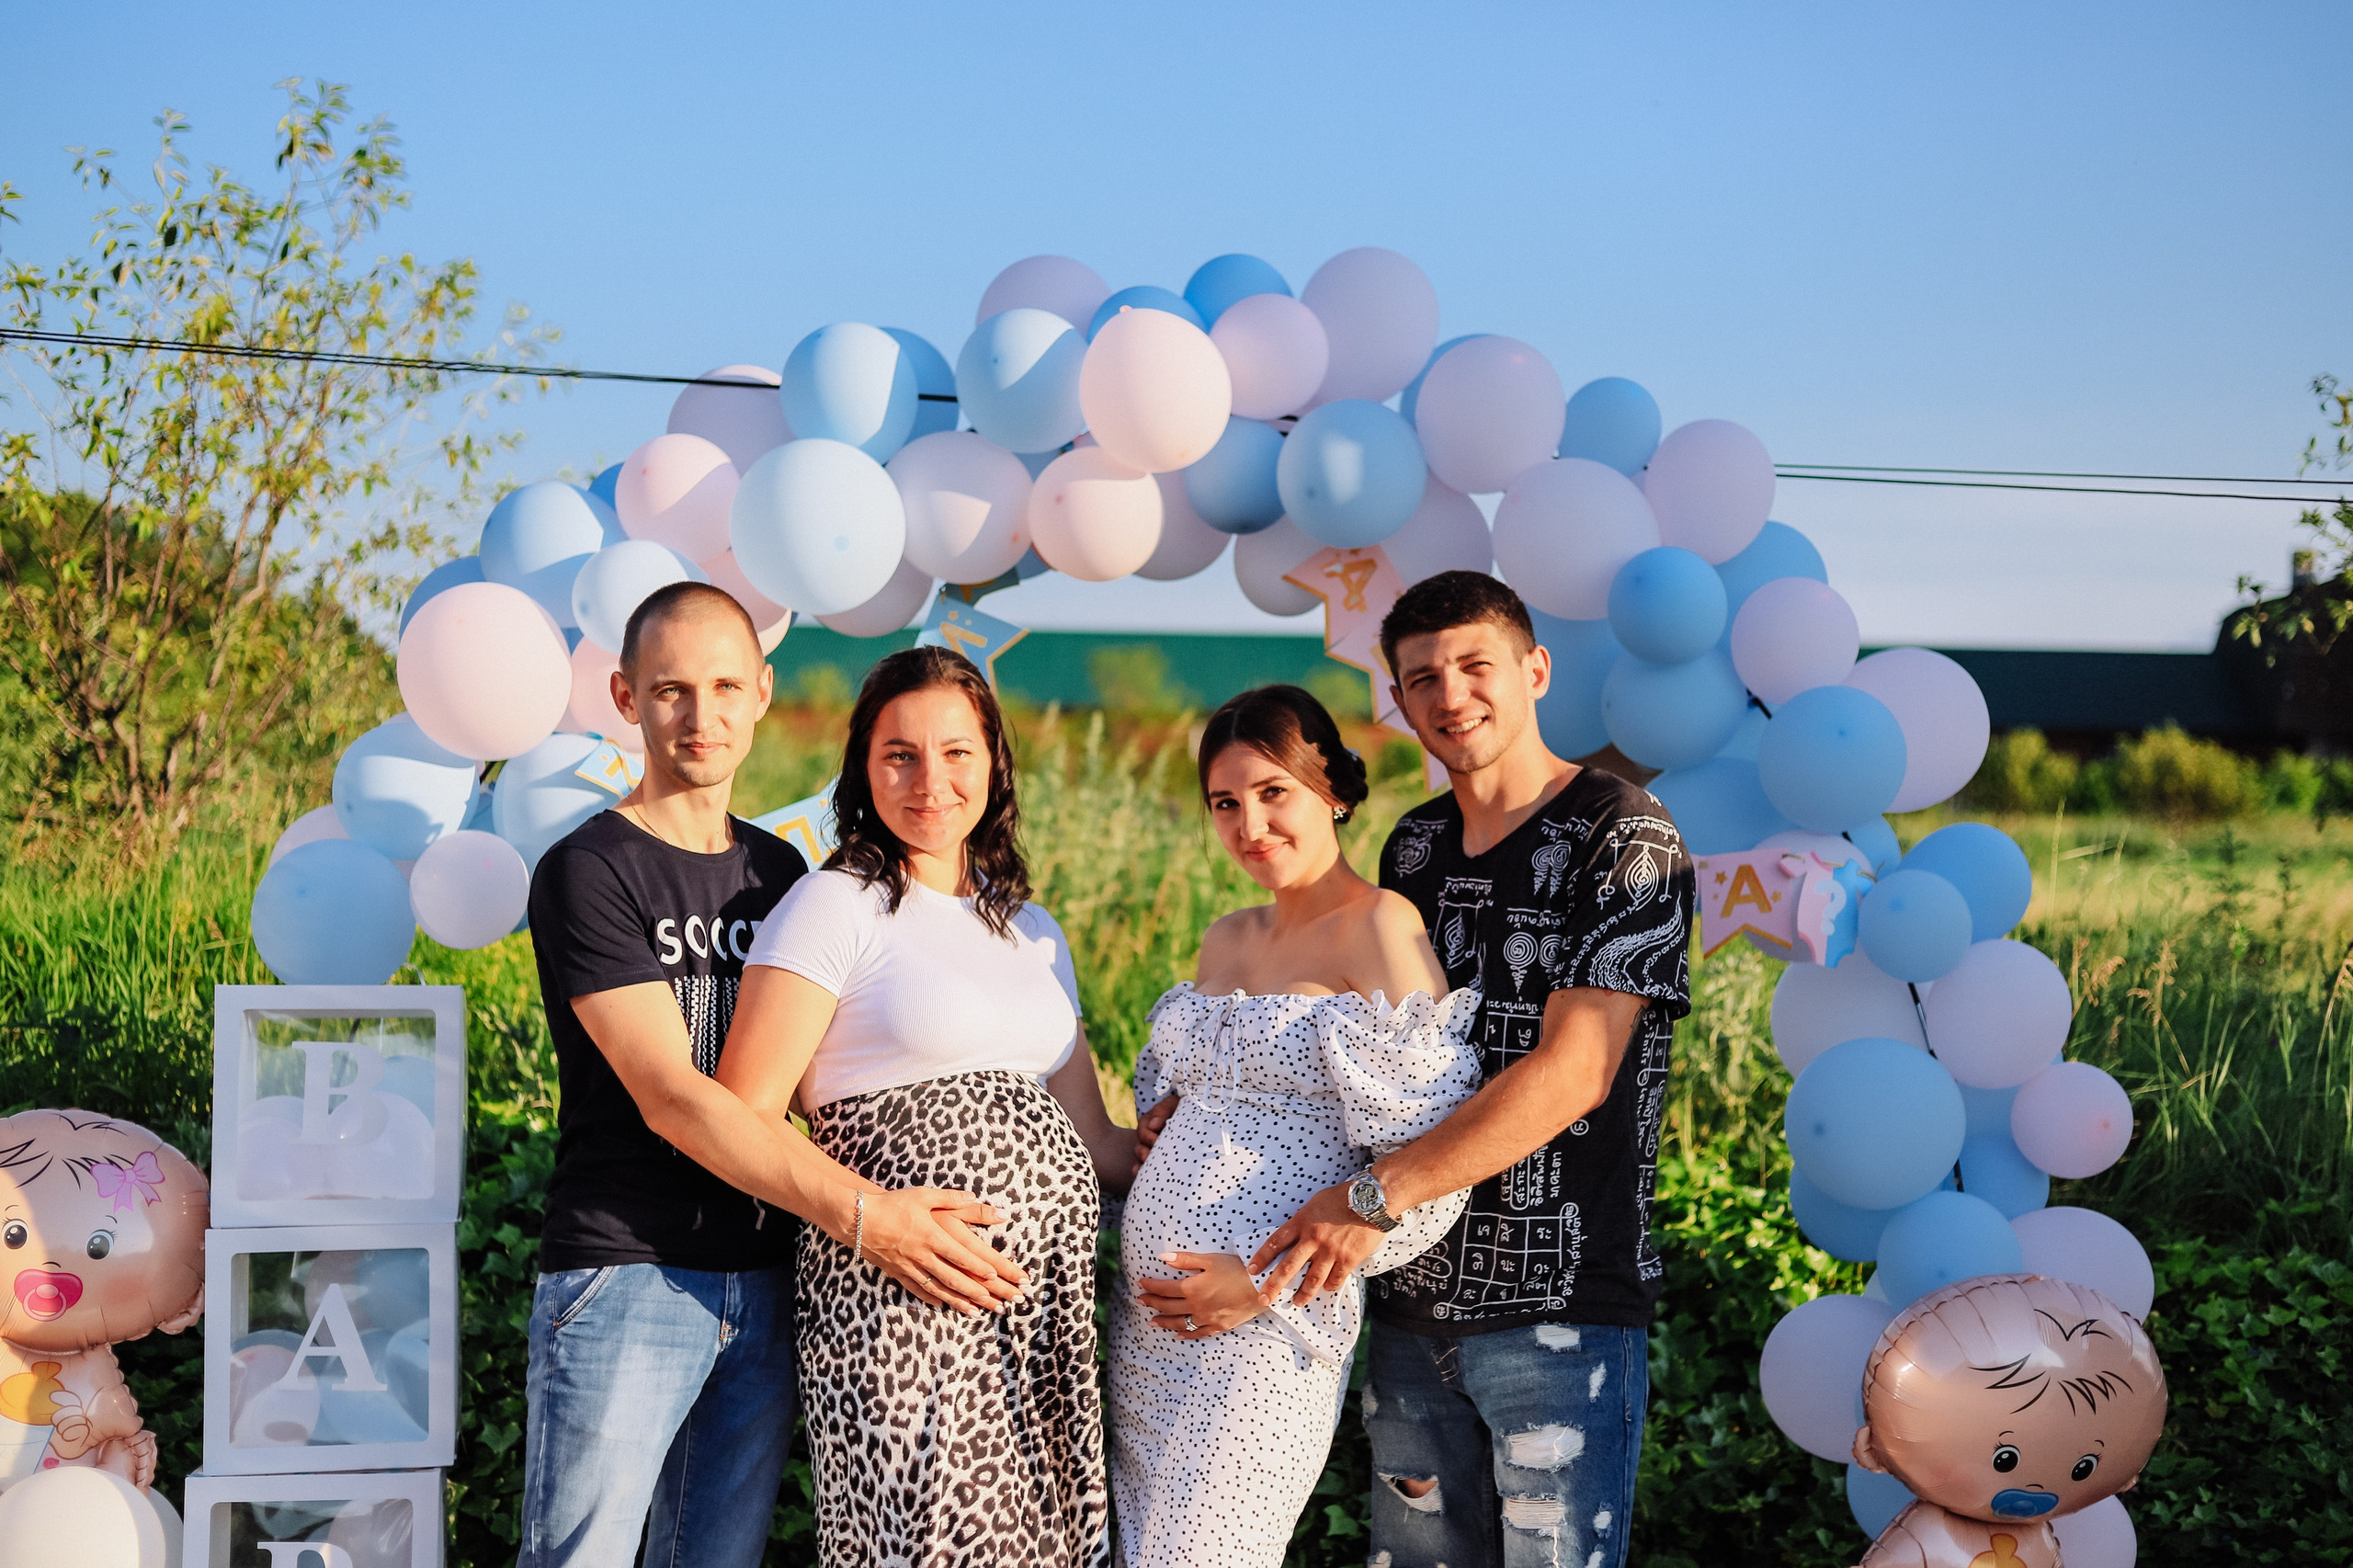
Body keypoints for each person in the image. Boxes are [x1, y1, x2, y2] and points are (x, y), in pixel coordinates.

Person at [520, 585, 1025, 1568]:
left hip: (764, 1276)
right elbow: (672, 1097)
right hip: (627, 1269)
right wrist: (869, 1216)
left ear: (762, 691)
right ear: (626, 697)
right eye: (670, 689)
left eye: (722, 687)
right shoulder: (589, 869)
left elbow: (834, 1075)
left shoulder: (781, 875)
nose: (699, 716)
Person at [1235, 572, 1696, 1568]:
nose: (1450, 695)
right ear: (1400, 701)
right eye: (1421, 678)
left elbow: (1576, 1070)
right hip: (1408, 1307)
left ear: (1536, 670)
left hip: (1558, 1311)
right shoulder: (1415, 847)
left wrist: (1369, 1199)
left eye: (1475, 665)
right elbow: (1360, 1053)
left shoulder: (1625, 834)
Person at [720, 645, 1135, 1568]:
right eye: (899, 755)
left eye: (955, 752)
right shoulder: (834, 905)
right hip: (902, 1297)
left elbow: (1095, 1139)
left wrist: (1223, 1126)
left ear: (994, 762)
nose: (929, 780)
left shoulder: (1032, 929)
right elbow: (742, 1112)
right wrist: (874, 1220)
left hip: (1041, 1316)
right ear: (863, 770)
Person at [1108, 685, 1482, 1568]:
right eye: (1225, 803)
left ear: (1333, 791)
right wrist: (1161, 1125)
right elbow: (1198, 1103)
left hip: (1265, 1335)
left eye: (1273, 792)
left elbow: (1432, 1166)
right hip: (1147, 1333)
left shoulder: (1380, 926)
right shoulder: (1225, 938)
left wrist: (1263, 1287)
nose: (1250, 825)